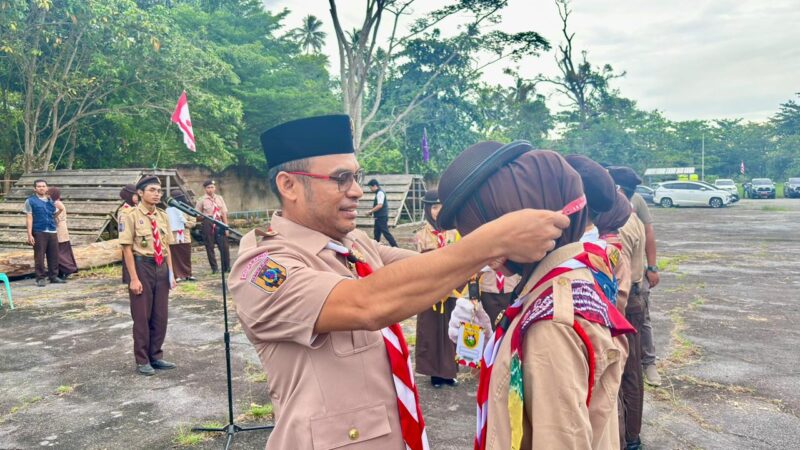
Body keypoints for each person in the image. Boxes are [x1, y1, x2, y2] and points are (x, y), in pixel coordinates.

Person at [228, 115, 569, 450]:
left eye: (357, 177)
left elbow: (421, 269)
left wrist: (487, 253)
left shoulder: (354, 243)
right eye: (341, 179)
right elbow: (366, 304)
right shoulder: (262, 269)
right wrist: (490, 241)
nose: (357, 191)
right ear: (289, 186)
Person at [440, 142, 634, 450]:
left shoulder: (551, 323)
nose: (487, 258)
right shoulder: (558, 287)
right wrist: (494, 345)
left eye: (489, 239)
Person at [609, 166, 662, 387]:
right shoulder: (617, 212)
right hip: (626, 280)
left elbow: (649, 233)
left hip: (633, 279)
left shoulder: (631, 210)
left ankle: (648, 363)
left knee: (641, 321)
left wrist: (653, 266)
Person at [119, 176, 177, 376]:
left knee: (160, 315)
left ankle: (156, 356)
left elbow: (167, 246)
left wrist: (171, 273)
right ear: (140, 193)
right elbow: (126, 249)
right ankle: (142, 360)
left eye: (159, 191)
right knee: (142, 316)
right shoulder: (130, 215)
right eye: (152, 190)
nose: (157, 194)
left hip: (161, 266)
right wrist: (134, 279)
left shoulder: (162, 216)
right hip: (142, 266)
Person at [609, 170, 648, 450]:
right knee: (631, 373)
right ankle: (631, 436)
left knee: (625, 374)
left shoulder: (620, 226)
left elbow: (618, 280)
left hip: (624, 304)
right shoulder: (633, 218)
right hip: (633, 299)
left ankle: (629, 439)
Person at [414, 189, 461, 388]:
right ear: (427, 209)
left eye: (441, 207)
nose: (438, 211)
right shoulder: (421, 235)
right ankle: (434, 373)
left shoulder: (455, 233)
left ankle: (449, 372)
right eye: (434, 207)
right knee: (431, 330)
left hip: (451, 289)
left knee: (451, 329)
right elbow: (420, 264)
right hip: (430, 291)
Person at [24, 179, 66, 287]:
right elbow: (29, 218)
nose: (41, 188)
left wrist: (60, 210)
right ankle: (40, 278)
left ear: (46, 188)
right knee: (39, 256)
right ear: (35, 189)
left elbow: (53, 215)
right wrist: (29, 234)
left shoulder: (50, 200)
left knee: (53, 255)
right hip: (39, 231)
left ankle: (53, 276)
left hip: (52, 230)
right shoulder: (30, 201)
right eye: (39, 186)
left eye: (43, 186)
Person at [195, 179, 230, 274]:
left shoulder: (219, 198)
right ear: (205, 189)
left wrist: (226, 227)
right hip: (208, 222)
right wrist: (204, 218)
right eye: (208, 187)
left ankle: (226, 267)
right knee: (209, 246)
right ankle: (214, 268)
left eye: (212, 187)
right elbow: (197, 215)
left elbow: (224, 213)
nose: (210, 189)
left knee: (224, 246)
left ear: (215, 188)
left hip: (219, 221)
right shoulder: (201, 200)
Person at [166, 189, 197, 282]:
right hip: (173, 237)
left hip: (185, 236)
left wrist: (184, 223)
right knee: (174, 257)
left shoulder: (187, 209)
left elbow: (193, 222)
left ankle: (188, 274)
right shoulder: (167, 210)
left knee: (186, 256)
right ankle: (177, 275)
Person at [48, 187, 78, 279]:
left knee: (59, 252)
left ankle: (67, 269)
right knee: (62, 250)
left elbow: (55, 217)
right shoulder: (57, 202)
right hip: (61, 229)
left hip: (59, 229)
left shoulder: (56, 203)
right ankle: (60, 272)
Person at [366, 178, 398, 247]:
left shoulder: (380, 193)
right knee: (377, 233)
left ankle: (395, 246)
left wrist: (370, 211)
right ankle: (375, 247)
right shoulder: (378, 193)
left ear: (375, 186)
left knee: (386, 233)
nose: (370, 189)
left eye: (371, 187)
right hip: (379, 217)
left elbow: (379, 205)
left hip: (381, 217)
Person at [119, 184, 139, 285]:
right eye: (135, 195)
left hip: (138, 238)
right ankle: (129, 278)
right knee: (128, 258)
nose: (137, 197)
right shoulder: (124, 210)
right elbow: (122, 227)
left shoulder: (136, 207)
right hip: (128, 237)